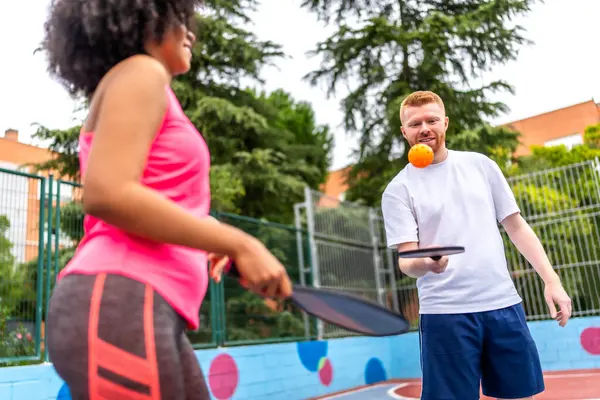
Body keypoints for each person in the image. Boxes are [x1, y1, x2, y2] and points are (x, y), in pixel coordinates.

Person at [41, 1, 293, 399]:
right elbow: (108, 194)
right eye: (178, 16)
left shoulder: (141, 83)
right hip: (121, 299)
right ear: (141, 17)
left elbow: (147, 193)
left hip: (138, 305)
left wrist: (206, 234)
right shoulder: (142, 71)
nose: (190, 30)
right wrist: (240, 242)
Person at [381, 90, 572, 400]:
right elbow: (406, 260)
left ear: (445, 123)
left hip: (503, 305)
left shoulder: (480, 166)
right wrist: (426, 263)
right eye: (415, 123)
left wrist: (552, 281)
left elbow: (516, 226)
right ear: (404, 132)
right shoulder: (398, 190)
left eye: (431, 120)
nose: (425, 128)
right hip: (445, 314)